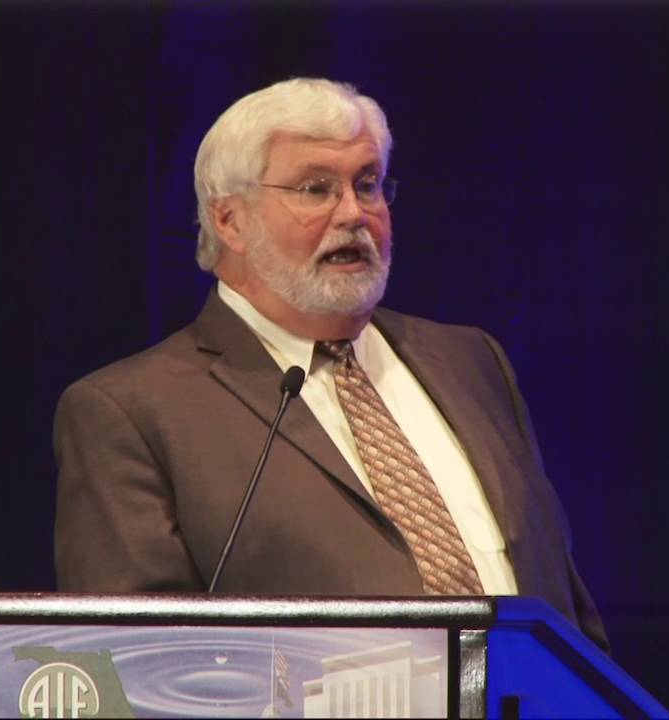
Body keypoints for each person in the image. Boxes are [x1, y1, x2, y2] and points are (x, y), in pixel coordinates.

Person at [53, 78, 607, 650]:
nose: (354, 213)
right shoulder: (131, 413)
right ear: (230, 221)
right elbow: (137, 665)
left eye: (367, 184)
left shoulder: (471, 361)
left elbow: (566, 606)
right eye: (315, 190)